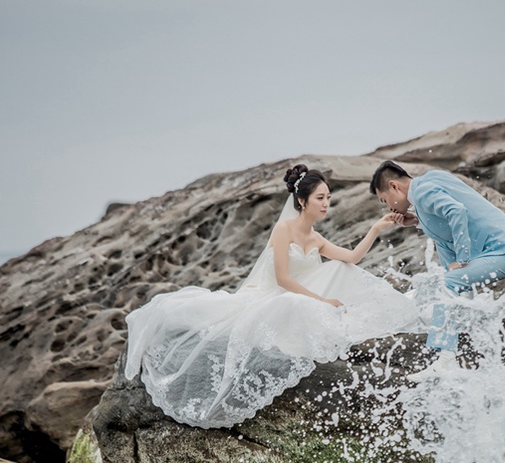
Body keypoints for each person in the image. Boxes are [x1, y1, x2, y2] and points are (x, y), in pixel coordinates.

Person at [124, 165, 419, 427]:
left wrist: (376, 227)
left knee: (342, 269)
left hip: (300, 296)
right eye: (320, 198)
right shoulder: (283, 229)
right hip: (272, 296)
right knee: (292, 302)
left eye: (328, 197)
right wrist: (322, 302)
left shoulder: (316, 238)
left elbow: (353, 257)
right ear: (302, 201)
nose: (326, 203)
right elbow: (283, 279)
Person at [369, 160, 505, 378]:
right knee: (445, 286)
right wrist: (416, 221)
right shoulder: (428, 183)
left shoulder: (422, 191)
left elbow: (457, 211)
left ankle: (446, 360)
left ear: (394, 186)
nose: (388, 207)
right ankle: (463, 350)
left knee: (445, 284)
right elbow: (447, 217)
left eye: (384, 200)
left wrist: (463, 259)